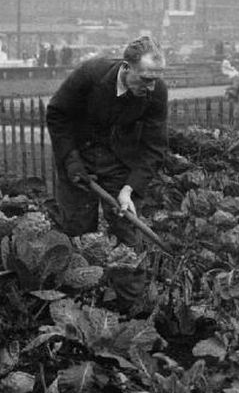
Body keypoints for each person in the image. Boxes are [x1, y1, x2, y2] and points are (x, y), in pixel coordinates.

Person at [46, 35, 169, 248]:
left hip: (119, 162)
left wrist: (129, 189)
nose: (151, 87)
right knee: (78, 232)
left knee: (127, 234)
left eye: (155, 80)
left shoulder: (156, 92)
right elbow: (57, 113)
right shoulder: (90, 75)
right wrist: (70, 159)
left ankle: (127, 278)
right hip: (79, 157)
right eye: (146, 79)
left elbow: (154, 148)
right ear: (127, 67)